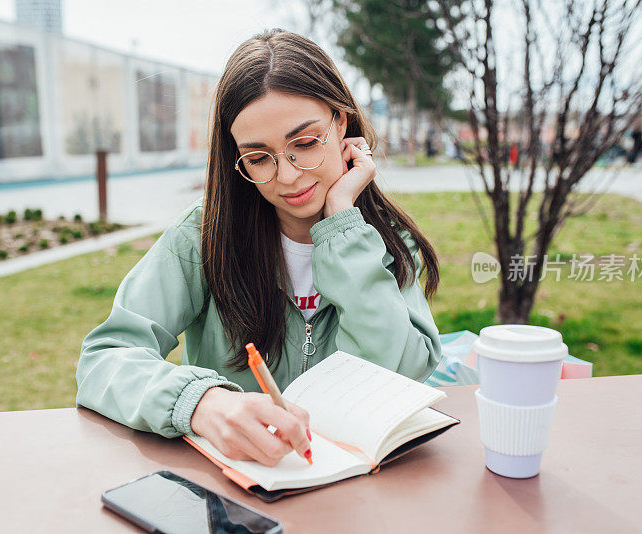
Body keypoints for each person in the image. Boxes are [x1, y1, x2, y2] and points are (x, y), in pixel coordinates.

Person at [75, 29, 442, 469]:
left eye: (304, 144)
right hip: (240, 488)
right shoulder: (204, 235)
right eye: (258, 157)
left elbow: (394, 376)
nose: (286, 176)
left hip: (358, 492)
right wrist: (201, 404)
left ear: (342, 122)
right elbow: (105, 357)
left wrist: (342, 221)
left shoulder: (384, 240)